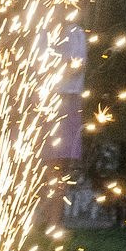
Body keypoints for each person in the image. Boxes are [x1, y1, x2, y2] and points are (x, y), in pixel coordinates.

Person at [41, 16, 88, 231]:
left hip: (68, 101)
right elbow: (39, 65)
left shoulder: (76, 33)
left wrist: (56, 69)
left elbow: (77, 65)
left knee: (61, 164)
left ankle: (55, 219)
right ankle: (46, 216)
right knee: (47, 163)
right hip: (47, 101)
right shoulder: (44, 31)